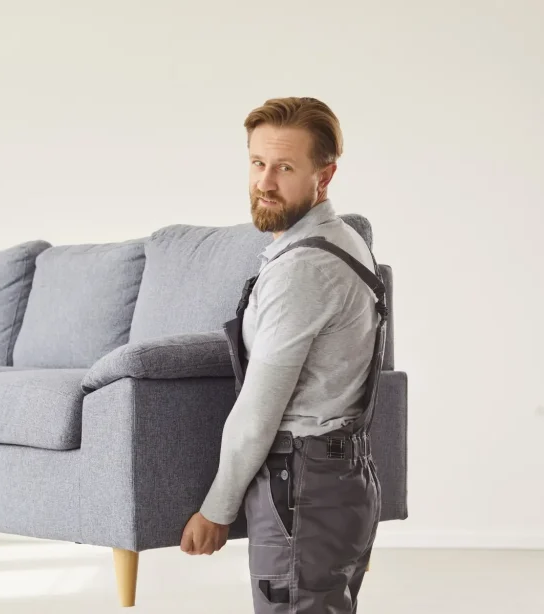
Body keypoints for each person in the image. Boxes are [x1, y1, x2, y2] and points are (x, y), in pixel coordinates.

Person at [180, 97, 388, 614]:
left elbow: (258, 412)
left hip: (303, 486)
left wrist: (216, 509)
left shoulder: (303, 269)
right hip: (340, 479)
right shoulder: (343, 241)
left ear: (326, 174)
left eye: (285, 168)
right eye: (257, 163)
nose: (264, 182)